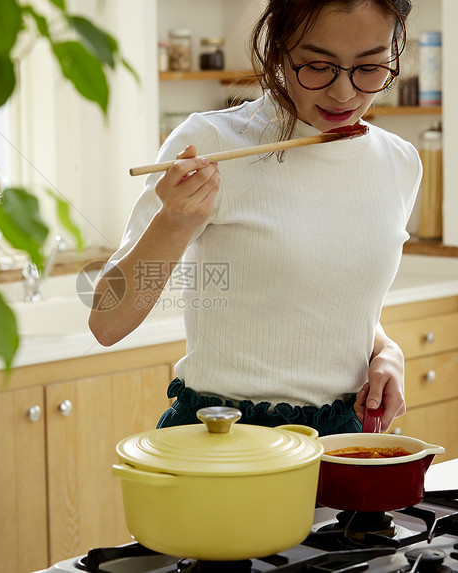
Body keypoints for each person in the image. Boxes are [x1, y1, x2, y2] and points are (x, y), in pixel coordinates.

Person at [89, 0, 420, 436]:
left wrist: (387, 351)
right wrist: (174, 221)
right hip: (226, 438)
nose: (344, 93)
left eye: (370, 66)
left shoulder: (398, 162)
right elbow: (107, 322)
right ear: (278, 50)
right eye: (318, 66)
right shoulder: (210, 141)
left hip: (344, 437)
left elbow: (319, 299)